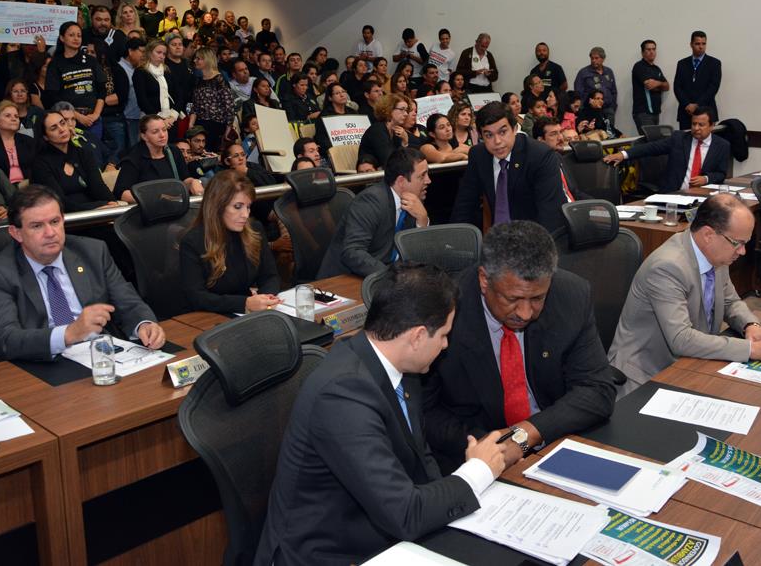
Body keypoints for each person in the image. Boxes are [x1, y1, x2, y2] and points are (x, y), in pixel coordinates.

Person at [256, 262, 506, 566]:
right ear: (417, 337)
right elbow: (404, 514)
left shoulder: (402, 368)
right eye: (443, 335)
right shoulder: (342, 394)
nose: (445, 345)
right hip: (328, 554)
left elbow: (421, 460)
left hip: (380, 531)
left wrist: (448, 502)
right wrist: (478, 471)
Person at [423, 221, 616, 473]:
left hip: (551, 439)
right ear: (484, 280)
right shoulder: (445, 313)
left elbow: (597, 389)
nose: (525, 313)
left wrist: (525, 435)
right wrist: (492, 447)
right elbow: (423, 413)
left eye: (537, 298)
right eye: (512, 299)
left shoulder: (571, 295)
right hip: (474, 456)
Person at [609, 194, 761, 396]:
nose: (742, 251)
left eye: (745, 243)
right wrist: (753, 349)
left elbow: (731, 302)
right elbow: (681, 339)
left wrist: (751, 326)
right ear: (708, 235)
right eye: (737, 243)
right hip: (646, 374)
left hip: (691, 363)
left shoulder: (716, 254)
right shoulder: (667, 267)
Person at [0, 185, 165, 362]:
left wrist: (144, 324)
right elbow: (4, 340)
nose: (50, 233)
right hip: (41, 364)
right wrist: (69, 333)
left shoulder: (93, 252)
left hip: (101, 356)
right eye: (37, 226)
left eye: (55, 222)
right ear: (16, 233)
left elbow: (128, 303)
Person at [450, 102, 566, 231]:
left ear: (515, 129)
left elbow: (550, 214)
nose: (497, 141)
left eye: (503, 132)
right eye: (489, 135)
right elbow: (464, 204)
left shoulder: (540, 155)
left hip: (533, 235)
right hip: (496, 237)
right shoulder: (479, 155)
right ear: (481, 136)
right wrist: (457, 239)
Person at [179, 171, 280, 314]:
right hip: (212, 316)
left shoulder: (254, 229)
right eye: (237, 207)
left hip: (250, 313)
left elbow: (270, 276)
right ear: (217, 207)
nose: (245, 214)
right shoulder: (192, 242)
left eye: (248, 207)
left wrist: (266, 298)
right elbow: (196, 297)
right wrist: (244, 304)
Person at [318, 148, 429, 278]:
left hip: (386, 276)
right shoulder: (370, 201)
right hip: (345, 278)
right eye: (422, 176)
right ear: (401, 181)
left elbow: (416, 255)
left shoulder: (413, 203)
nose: (428, 180)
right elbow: (353, 252)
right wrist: (392, 277)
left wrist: (422, 221)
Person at [603, 107, 729, 191]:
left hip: (701, 197)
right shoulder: (679, 138)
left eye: (701, 125)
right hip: (673, 195)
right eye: (693, 124)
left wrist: (706, 179)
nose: (696, 128)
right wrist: (623, 154)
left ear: (712, 126)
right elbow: (651, 147)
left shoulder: (722, 145)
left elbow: (721, 174)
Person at [31, 111, 120, 211]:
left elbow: (98, 187)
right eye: (54, 128)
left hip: (95, 210)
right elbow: (59, 202)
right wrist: (95, 208)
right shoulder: (40, 164)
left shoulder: (83, 153)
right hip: (66, 215)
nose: (61, 129)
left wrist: (113, 204)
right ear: (45, 137)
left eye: (62, 123)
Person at [114, 115, 204, 203]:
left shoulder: (173, 151)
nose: (162, 135)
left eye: (164, 130)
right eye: (155, 132)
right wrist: (154, 199)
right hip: (149, 209)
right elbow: (122, 193)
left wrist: (193, 182)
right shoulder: (134, 158)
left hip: (176, 204)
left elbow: (185, 179)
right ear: (144, 136)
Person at [45, 21, 106, 143]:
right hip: (68, 120)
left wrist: (96, 114)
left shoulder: (91, 61)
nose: (76, 38)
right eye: (71, 35)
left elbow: (102, 90)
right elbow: (52, 96)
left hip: (93, 119)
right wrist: (77, 117)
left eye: (79, 35)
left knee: (94, 151)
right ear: (62, 38)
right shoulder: (55, 64)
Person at [190, 46, 238, 152]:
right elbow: (195, 105)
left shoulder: (219, 79)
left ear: (207, 60)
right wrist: (191, 125)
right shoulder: (199, 80)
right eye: (195, 58)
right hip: (200, 124)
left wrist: (228, 129)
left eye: (198, 58)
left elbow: (229, 106)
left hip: (216, 125)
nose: (195, 61)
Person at [0, 100, 36, 185]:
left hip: (28, 186)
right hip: (0, 187)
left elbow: (36, 168)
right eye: (8, 116)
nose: (14, 119)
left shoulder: (28, 141)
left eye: (16, 116)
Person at [674, 31, 722, 130]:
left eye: (703, 44)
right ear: (691, 44)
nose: (701, 47)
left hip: (706, 111)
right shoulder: (682, 63)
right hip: (686, 111)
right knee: (685, 139)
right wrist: (687, 104)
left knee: (706, 140)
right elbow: (677, 87)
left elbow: (713, 87)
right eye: (697, 44)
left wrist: (697, 105)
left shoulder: (714, 63)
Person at [132, 39, 179, 125]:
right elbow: (142, 101)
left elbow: (178, 95)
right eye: (159, 52)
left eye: (164, 54)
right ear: (149, 52)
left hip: (170, 120)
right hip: (150, 119)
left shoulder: (167, 71)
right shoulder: (140, 72)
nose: (162, 56)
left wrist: (173, 116)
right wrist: (160, 119)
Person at [358, 93, 409, 167]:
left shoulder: (396, 130)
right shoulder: (377, 130)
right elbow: (388, 160)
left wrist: (405, 142)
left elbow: (403, 160)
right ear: (389, 109)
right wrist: (404, 144)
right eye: (402, 109)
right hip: (371, 172)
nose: (406, 114)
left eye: (406, 110)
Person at [630, 39, 670, 132]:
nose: (652, 52)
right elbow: (650, 86)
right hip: (643, 112)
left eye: (653, 49)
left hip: (656, 112)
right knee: (649, 140)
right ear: (642, 52)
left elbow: (667, 86)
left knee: (654, 139)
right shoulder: (639, 66)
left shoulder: (657, 69)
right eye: (648, 49)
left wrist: (658, 83)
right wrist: (660, 85)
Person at [574, 47, 618, 126]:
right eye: (592, 58)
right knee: (594, 132)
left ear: (603, 59)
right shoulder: (583, 72)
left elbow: (613, 91)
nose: (594, 60)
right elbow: (578, 92)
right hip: (591, 111)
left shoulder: (609, 71)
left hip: (608, 109)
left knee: (610, 131)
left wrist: (613, 106)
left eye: (596, 58)